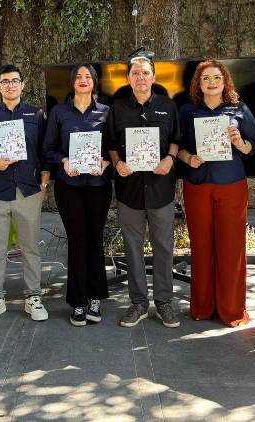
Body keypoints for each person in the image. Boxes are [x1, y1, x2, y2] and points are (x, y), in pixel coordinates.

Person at [177, 60, 255, 327]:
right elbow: (177, 146)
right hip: (197, 185)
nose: (211, 83)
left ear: (225, 82)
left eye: (216, 78)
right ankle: (202, 307)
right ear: (198, 84)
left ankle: (232, 310)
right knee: (201, 247)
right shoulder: (188, 111)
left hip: (231, 184)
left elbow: (252, 149)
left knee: (232, 248)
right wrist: (189, 159)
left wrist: (239, 142)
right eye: (206, 78)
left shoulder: (240, 109)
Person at [0, 64, 51, 323]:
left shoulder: (36, 114)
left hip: (28, 190)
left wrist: (45, 179)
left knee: (30, 248)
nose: (11, 85)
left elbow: (46, 149)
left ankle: (33, 297)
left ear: (23, 85)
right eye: (5, 81)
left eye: (15, 80)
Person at [106, 56, 182, 328]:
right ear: (128, 78)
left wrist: (170, 159)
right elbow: (110, 144)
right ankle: (138, 303)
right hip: (129, 190)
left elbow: (175, 139)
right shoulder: (117, 108)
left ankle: (164, 302)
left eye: (145, 73)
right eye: (135, 73)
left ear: (153, 77)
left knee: (164, 247)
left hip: (161, 189)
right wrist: (118, 163)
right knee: (132, 248)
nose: (140, 77)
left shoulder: (167, 106)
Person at [42, 64, 112, 326]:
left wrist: (106, 162)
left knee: (95, 239)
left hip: (98, 185)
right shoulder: (59, 112)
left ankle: (95, 298)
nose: (83, 80)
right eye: (78, 76)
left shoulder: (106, 112)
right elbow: (48, 148)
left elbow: (114, 147)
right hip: (68, 186)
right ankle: (78, 302)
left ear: (95, 82)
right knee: (77, 240)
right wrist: (63, 160)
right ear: (72, 82)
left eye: (88, 76)